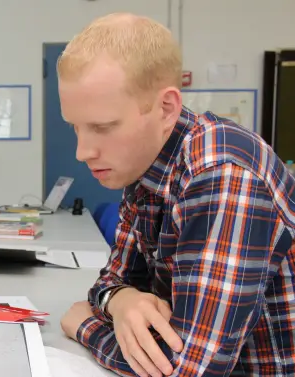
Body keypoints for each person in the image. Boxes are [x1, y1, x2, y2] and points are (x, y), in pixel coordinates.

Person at [58, 13, 295, 377]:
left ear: (165, 108)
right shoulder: (144, 164)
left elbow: (190, 370)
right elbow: (111, 280)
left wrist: (83, 326)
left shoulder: (222, 174)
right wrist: (120, 299)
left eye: (102, 127)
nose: (82, 151)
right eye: (75, 126)